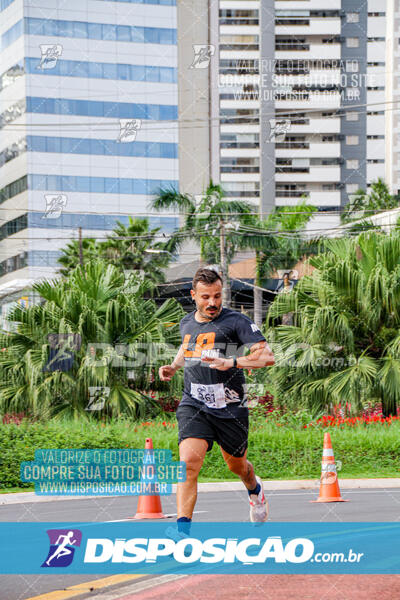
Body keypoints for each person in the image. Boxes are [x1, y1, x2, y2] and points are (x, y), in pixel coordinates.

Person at [159, 267, 275, 535]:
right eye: (205, 297)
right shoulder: (186, 322)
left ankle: (254, 489)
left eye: (217, 296)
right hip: (195, 404)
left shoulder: (236, 322)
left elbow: (267, 356)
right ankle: (182, 532)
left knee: (237, 466)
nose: (212, 303)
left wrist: (231, 361)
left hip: (231, 407)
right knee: (188, 464)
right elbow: (187, 347)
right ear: (193, 296)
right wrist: (174, 367)